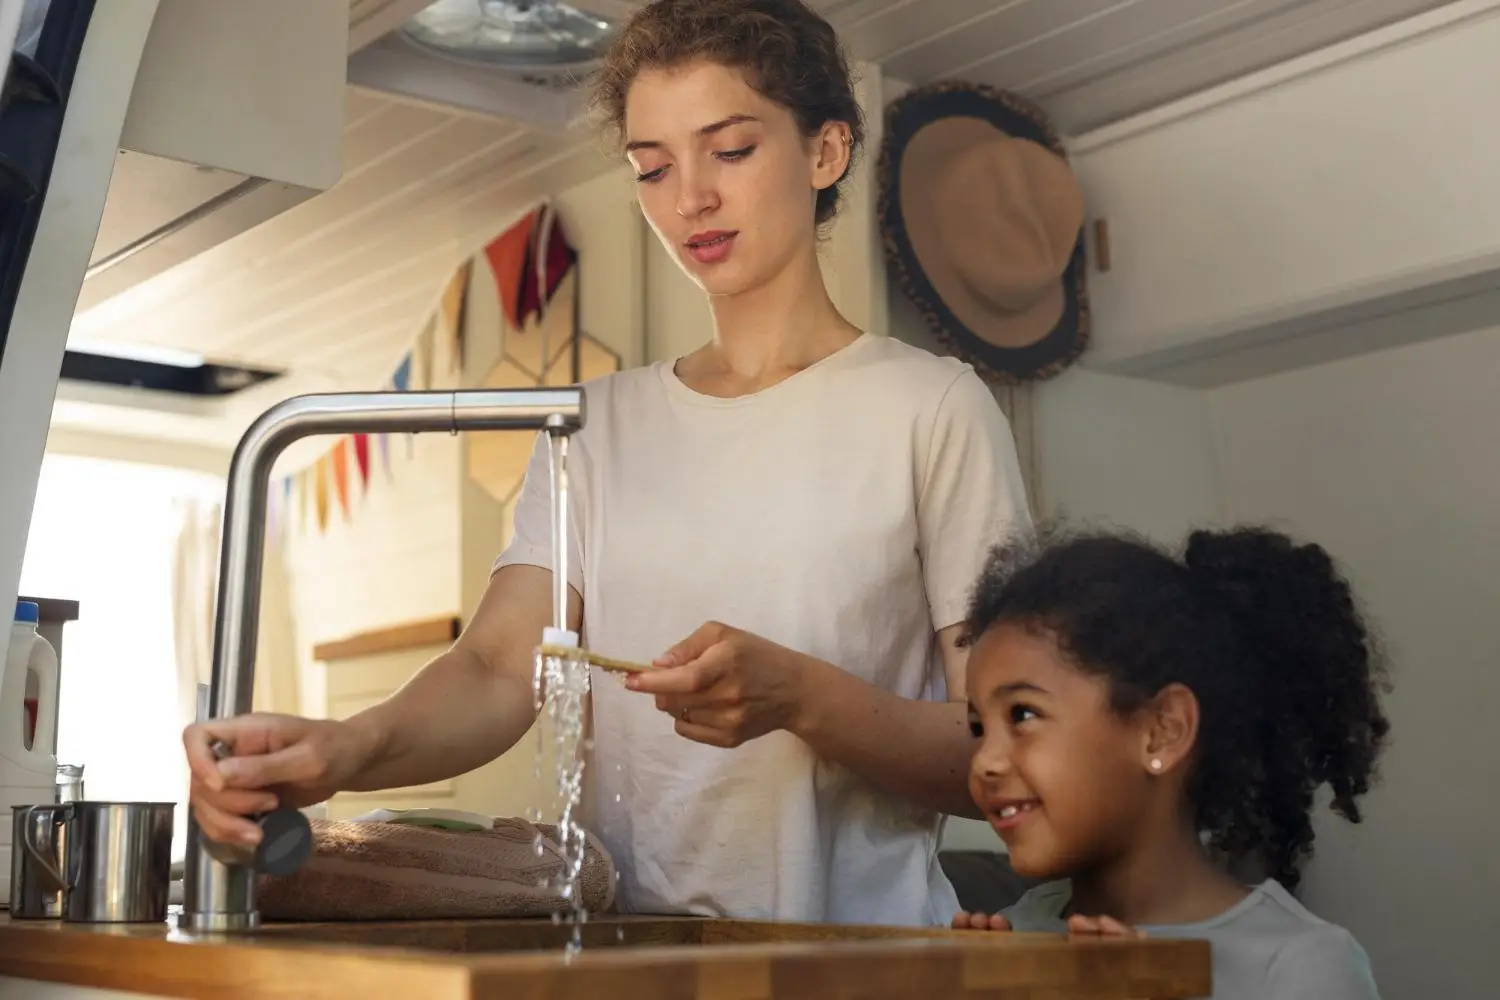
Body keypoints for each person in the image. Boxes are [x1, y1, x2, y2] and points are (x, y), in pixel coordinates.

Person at [182, 0, 1031, 927]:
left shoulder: (932, 409)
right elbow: (501, 669)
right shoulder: (590, 424)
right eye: (653, 167)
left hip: (861, 969)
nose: (689, 199)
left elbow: (1006, 746)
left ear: (825, 153)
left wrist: (804, 698)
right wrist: (345, 746)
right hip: (627, 960)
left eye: (732, 151)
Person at [952, 525, 1390, 998]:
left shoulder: (1299, 966)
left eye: (1022, 714)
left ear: (1163, 730)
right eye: (979, 728)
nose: (985, 762)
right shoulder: (1011, 936)